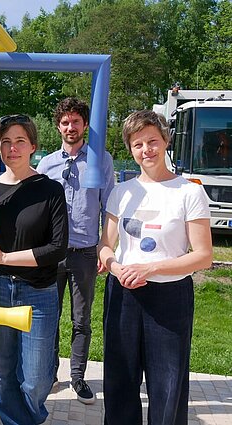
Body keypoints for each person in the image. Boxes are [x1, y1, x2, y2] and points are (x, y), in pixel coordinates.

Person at [97, 110, 213, 424]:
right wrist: (116, 268)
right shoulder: (121, 192)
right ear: (130, 149)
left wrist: (149, 269)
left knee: (167, 384)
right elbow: (105, 245)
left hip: (169, 296)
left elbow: (203, 255)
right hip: (123, 294)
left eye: (152, 141)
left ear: (165, 141)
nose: (146, 150)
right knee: (119, 380)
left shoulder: (189, 192)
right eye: (138, 144)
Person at [0, 114, 68, 425]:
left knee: (36, 379)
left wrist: (4, 257)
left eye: (20, 141)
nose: (12, 148)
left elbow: (57, 249)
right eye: (5, 142)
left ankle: (29, 415)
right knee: (2, 372)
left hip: (38, 292)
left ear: (33, 146)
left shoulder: (50, 189)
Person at [36, 97, 114, 404]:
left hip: (85, 253)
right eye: (65, 122)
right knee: (49, 317)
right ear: (58, 127)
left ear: (85, 125)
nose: (71, 127)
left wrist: (105, 247)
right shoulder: (46, 164)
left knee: (81, 319)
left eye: (76, 122)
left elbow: (109, 208)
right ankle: (49, 373)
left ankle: (78, 377)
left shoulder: (101, 160)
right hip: (51, 253)